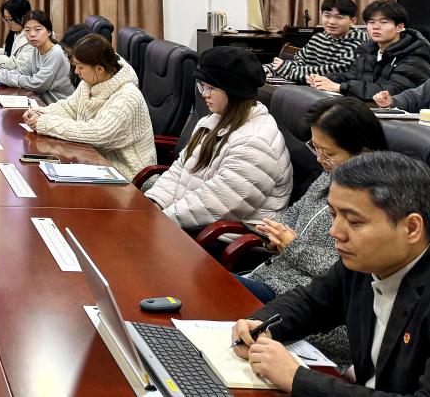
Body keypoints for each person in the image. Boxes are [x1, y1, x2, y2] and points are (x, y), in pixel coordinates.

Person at [232, 151, 430, 395]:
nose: (334, 231)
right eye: (333, 215)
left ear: (411, 228)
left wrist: (297, 378)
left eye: (354, 222)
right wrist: (261, 324)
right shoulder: (364, 263)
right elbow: (311, 303)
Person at [235, 97, 388, 364]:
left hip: (301, 301)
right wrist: (274, 234)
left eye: (329, 153)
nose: (319, 159)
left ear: (363, 153)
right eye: (315, 148)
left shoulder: (378, 202)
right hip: (277, 282)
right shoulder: (330, 174)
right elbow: (294, 213)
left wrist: (293, 247)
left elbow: (351, 272)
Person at [146, 46, 292, 230]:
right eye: (201, 86)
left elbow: (215, 204)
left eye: (211, 88)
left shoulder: (255, 143)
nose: (204, 94)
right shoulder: (212, 120)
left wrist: (159, 220)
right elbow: (180, 170)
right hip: (192, 223)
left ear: (235, 91)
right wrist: (153, 203)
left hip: (223, 236)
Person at [24, 33, 155, 180]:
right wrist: (41, 112)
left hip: (127, 174)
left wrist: (46, 123)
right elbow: (70, 108)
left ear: (99, 69)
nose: (76, 71)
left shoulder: (127, 97)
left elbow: (98, 133)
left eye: (80, 67)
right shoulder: (90, 82)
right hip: (94, 159)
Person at [308, 0, 430, 100]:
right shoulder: (369, 50)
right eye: (371, 22)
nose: (376, 27)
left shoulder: (414, 56)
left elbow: (393, 91)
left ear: (399, 27)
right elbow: (353, 76)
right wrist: (325, 79)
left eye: (383, 22)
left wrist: (340, 87)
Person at [264, 0, 367, 82]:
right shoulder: (318, 38)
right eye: (327, 15)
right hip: (312, 89)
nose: (331, 22)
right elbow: (299, 61)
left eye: (339, 17)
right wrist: (270, 69)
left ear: (353, 21)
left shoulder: (360, 44)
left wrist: (284, 68)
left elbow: (332, 73)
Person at [0, 10, 74, 104]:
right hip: (39, 102)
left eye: (38, 29)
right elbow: (24, 72)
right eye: (27, 30)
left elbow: (37, 84)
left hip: (56, 106)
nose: (32, 34)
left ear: (49, 32)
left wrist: (1, 77)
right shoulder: (36, 50)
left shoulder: (56, 53)